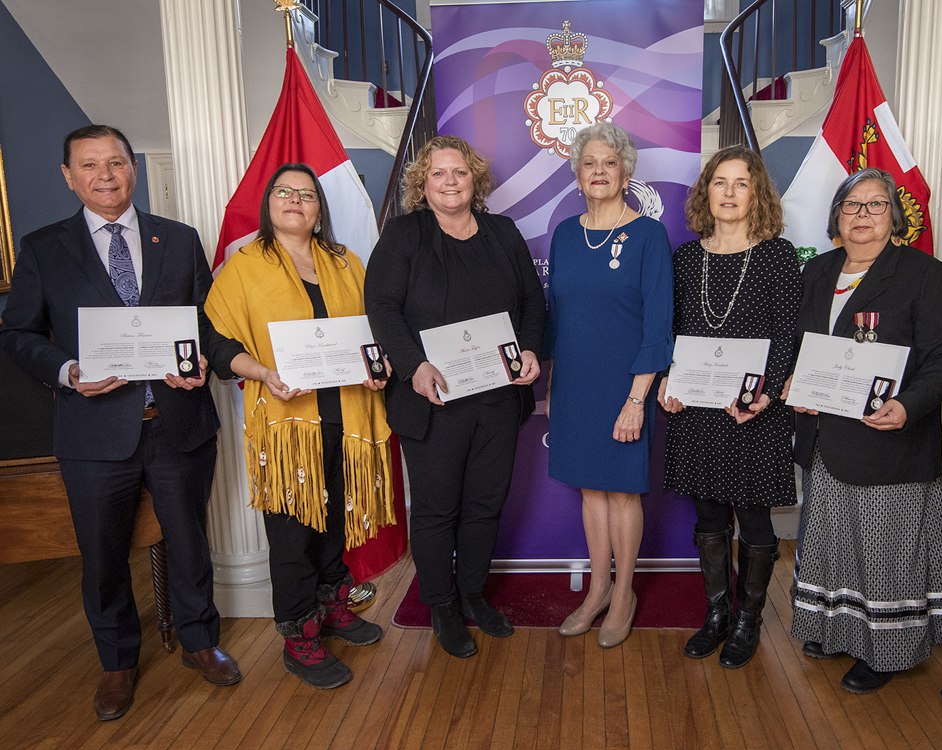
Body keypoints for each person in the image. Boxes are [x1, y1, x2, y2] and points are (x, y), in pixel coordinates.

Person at [0, 125, 241, 720]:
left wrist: (205, 359)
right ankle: (117, 662)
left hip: (178, 421)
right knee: (102, 554)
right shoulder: (42, 248)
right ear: (68, 175)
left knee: (189, 541)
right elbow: (19, 333)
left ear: (133, 167)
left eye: (115, 162)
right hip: (92, 430)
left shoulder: (179, 240)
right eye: (89, 165)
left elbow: (203, 323)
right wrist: (68, 370)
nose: (104, 174)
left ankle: (199, 641)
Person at [206, 163, 393, 689]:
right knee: (292, 537)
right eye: (284, 192)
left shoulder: (345, 261)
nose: (295, 200)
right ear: (269, 204)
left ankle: (333, 609)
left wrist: (378, 369)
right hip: (289, 427)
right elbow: (218, 344)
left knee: (334, 523)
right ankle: (299, 637)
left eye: (307, 194)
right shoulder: (244, 267)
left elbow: (374, 334)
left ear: (319, 207)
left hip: (349, 414)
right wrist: (264, 372)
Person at [782, 167, 942, 694]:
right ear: (837, 216)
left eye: (875, 205)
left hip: (891, 438)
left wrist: (909, 405)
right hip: (825, 436)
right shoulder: (815, 272)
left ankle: (887, 650)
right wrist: (796, 376)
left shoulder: (923, 273)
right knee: (833, 542)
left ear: (895, 217)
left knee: (885, 549)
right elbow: (800, 344)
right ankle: (832, 629)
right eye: (851, 205)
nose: (862, 215)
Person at [365, 136, 545, 658]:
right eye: (439, 174)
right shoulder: (403, 235)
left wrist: (531, 349)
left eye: (459, 173)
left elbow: (532, 300)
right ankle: (441, 604)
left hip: (496, 399)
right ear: (424, 183)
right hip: (433, 401)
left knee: (485, 505)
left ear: (475, 180)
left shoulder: (502, 232)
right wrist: (411, 365)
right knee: (437, 510)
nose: (450, 182)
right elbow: (380, 304)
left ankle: (473, 595)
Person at [660, 146, 800, 668]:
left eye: (742, 183)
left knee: (756, 519)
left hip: (754, 409)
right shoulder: (686, 258)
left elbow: (787, 334)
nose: (730, 193)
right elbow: (672, 334)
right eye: (720, 182)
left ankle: (748, 622)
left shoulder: (777, 255)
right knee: (710, 514)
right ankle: (716, 615)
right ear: (706, 191)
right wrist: (670, 380)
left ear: (757, 193)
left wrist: (769, 391)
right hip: (697, 408)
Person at [546, 122, 674, 648]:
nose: (599, 171)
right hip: (576, 385)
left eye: (609, 162)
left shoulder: (648, 235)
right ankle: (597, 589)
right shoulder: (563, 234)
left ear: (626, 172)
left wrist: (636, 400)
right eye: (590, 163)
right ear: (577, 174)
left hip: (625, 387)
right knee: (590, 488)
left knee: (622, 491)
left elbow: (658, 325)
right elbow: (558, 317)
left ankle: (624, 594)